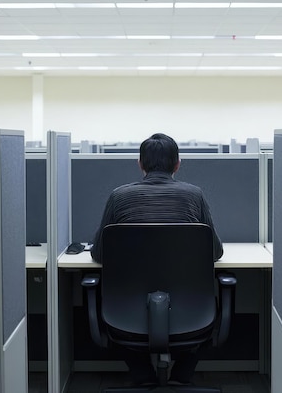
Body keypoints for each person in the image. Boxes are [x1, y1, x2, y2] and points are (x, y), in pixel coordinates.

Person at [90, 132, 223, 386]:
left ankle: (143, 376)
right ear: (177, 164)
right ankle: (181, 377)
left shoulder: (119, 197)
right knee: (215, 299)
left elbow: (99, 254)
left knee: (105, 297)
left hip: (126, 311)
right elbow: (214, 253)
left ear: (140, 164)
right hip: (190, 311)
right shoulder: (194, 196)